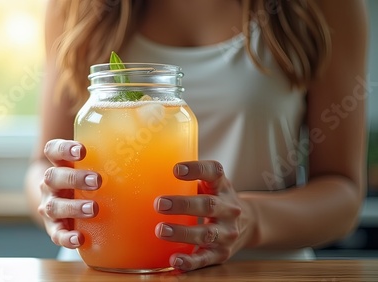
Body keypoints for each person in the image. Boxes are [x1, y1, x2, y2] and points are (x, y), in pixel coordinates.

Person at [25, 0, 368, 272]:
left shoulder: (321, 5)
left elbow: (344, 193)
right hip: (103, 269)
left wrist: (252, 220)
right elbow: (43, 165)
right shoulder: (77, 5)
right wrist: (55, 201)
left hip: (262, 270)